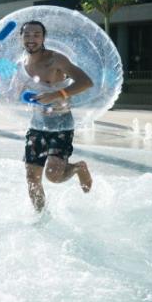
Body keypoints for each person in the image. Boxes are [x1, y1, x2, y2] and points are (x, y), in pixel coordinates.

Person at [18, 21, 94, 212]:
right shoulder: (21, 64)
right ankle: (41, 217)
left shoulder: (56, 60)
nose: (31, 39)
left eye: (36, 35)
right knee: (32, 178)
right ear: (21, 38)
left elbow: (86, 82)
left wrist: (57, 94)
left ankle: (78, 168)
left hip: (61, 123)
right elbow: (13, 92)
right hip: (37, 125)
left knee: (53, 176)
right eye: (27, 35)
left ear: (43, 37)